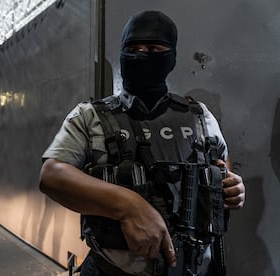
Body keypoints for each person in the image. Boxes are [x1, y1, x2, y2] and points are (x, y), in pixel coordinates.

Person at [39, 10, 245, 276]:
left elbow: (222, 169)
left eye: (154, 48)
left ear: (171, 57)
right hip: (113, 269)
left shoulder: (199, 116)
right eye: (133, 47)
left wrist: (232, 188)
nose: (141, 54)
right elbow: (52, 175)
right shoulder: (90, 116)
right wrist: (128, 206)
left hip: (194, 268)